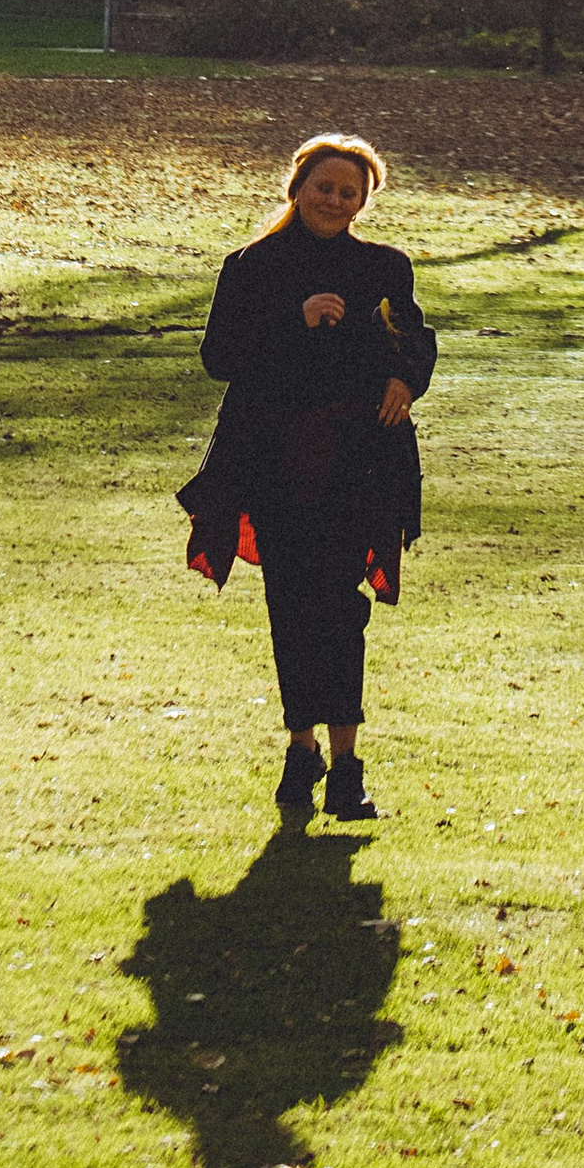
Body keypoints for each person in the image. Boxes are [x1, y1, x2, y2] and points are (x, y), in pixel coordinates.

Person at [178, 131, 437, 823]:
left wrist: (402, 380)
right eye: (324, 185)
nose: (334, 198)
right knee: (293, 603)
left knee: (343, 606)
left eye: (349, 191)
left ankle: (347, 765)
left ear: (364, 201)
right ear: (297, 187)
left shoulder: (385, 266)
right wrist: (293, 319)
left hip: (361, 460)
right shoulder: (252, 265)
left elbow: (413, 338)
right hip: (276, 460)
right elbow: (220, 355)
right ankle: (302, 750)